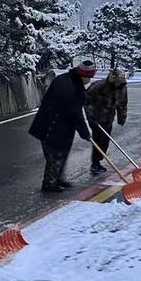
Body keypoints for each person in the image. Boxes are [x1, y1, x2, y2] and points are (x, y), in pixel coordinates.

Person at [29, 60, 95, 192]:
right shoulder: (69, 88)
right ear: (83, 75)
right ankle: (49, 185)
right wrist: (85, 133)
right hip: (52, 126)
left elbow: (79, 102)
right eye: (89, 77)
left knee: (62, 154)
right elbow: (76, 113)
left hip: (59, 125)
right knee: (55, 156)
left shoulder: (68, 79)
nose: (90, 80)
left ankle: (57, 179)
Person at [85, 68, 128, 174]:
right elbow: (86, 100)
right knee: (98, 139)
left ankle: (98, 160)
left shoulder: (122, 88)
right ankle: (95, 163)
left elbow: (123, 103)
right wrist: (90, 115)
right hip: (96, 118)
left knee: (105, 142)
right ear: (112, 78)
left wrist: (122, 117)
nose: (118, 83)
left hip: (108, 118)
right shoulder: (99, 86)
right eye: (117, 81)